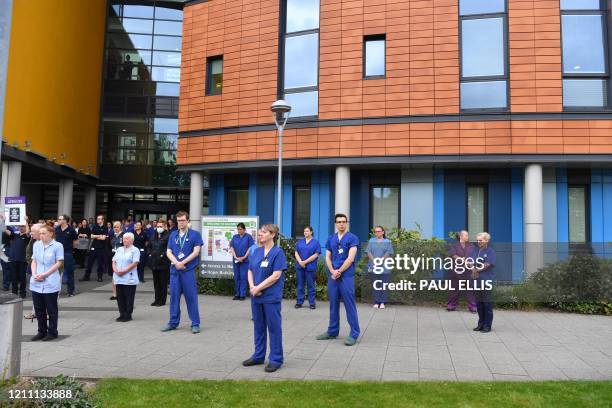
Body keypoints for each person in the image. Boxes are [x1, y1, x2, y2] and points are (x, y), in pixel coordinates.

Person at [242, 224, 287, 373]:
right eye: (260, 232)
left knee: (274, 329)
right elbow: (250, 270)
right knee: (258, 327)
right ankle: (258, 356)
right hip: (256, 296)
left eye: (264, 232)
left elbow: (276, 276)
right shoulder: (256, 252)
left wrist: (258, 288)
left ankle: (276, 359)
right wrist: (252, 287)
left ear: (272, 235)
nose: (260, 234)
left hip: (270, 297)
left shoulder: (278, 253)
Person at [316, 214, 360, 346]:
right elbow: (328, 257)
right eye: (339, 222)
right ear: (335, 224)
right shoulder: (331, 239)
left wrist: (339, 271)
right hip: (334, 276)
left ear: (347, 223)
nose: (341, 224)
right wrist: (332, 271)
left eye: (343, 222)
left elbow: (350, 258)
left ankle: (354, 333)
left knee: (349, 304)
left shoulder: (352, 238)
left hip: (346, 275)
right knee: (333, 303)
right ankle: (332, 331)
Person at [161, 211, 203, 334]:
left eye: (183, 220)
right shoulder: (173, 235)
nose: (181, 223)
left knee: (191, 298)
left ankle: (195, 323)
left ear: (188, 221)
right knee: (174, 298)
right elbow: (168, 252)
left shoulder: (195, 235)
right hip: (175, 271)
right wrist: (176, 262)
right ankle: (173, 322)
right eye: (179, 221)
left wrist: (182, 262)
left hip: (188, 271)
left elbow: (196, 252)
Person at [30, 225, 64, 341]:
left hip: (50, 281)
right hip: (37, 281)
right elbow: (34, 261)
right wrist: (34, 274)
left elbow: (58, 263)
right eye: (40, 233)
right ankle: (41, 331)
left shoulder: (58, 246)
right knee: (39, 309)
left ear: (50, 233)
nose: (41, 235)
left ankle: (53, 332)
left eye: (43, 233)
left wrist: (45, 274)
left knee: (51, 309)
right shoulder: (36, 245)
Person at [471, 232, 496, 333]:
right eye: (477, 240)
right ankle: (480, 324)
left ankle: (487, 325)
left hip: (486, 281)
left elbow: (487, 264)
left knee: (487, 304)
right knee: (479, 304)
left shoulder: (490, 251)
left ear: (486, 240)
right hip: (476, 281)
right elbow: (469, 262)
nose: (478, 242)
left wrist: (476, 270)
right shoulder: (476, 251)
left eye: (480, 240)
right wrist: (472, 268)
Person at [112, 232, 140, 322]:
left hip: (129, 278)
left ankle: (128, 315)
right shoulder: (119, 249)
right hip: (118, 277)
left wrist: (124, 271)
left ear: (132, 240)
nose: (124, 240)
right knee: (120, 297)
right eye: (124, 238)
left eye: (127, 238)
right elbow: (114, 261)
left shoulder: (135, 250)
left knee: (129, 297)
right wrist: (115, 270)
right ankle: (122, 314)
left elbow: (135, 263)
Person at [446, 230, 476, 313]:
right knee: (454, 288)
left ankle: (472, 307)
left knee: (470, 289)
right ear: (460, 236)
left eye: (467, 235)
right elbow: (453, 255)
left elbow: (473, 257)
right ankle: (451, 306)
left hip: (468, 271)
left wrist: (472, 267)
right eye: (466, 235)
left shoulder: (471, 246)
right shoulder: (454, 245)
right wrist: (461, 260)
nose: (467, 237)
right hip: (456, 270)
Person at [366, 226, 394, 309]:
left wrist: (380, 260)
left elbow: (388, 252)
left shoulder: (387, 241)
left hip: (385, 267)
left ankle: (382, 302)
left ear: (383, 232)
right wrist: (374, 260)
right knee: (376, 284)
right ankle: (376, 302)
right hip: (374, 266)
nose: (377, 233)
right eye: (375, 231)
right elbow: (368, 252)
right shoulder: (371, 241)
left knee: (383, 285)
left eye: (379, 231)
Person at [294, 226, 321, 309]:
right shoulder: (300, 242)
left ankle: (312, 303)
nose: (305, 233)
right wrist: (300, 262)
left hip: (310, 267)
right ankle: (299, 302)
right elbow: (296, 253)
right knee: (300, 285)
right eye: (304, 231)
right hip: (300, 267)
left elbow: (316, 254)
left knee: (311, 285)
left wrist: (304, 262)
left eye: (307, 231)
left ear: (311, 232)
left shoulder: (315, 242)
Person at [229, 223, 254, 301]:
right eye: (238, 229)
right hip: (236, 260)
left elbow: (250, 248)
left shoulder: (248, 237)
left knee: (243, 277)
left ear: (244, 229)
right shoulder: (235, 237)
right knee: (237, 277)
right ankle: (237, 294)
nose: (239, 231)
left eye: (240, 229)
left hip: (245, 260)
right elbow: (232, 247)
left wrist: (244, 257)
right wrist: (235, 257)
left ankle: (242, 294)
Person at [55, 215, 78, 296]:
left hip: (67, 253)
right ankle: (55, 289)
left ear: (65, 220)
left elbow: (75, 241)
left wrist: (73, 250)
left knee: (69, 272)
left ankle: (70, 291)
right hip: (57, 253)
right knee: (56, 272)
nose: (58, 220)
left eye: (60, 219)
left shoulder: (71, 230)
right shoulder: (56, 229)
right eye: (58, 219)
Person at [148, 219, 170, 306]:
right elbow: (149, 246)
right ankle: (156, 299)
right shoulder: (154, 235)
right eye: (158, 226)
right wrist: (149, 253)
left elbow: (169, 248)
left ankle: (162, 300)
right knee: (156, 283)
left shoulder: (168, 236)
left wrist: (162, 255)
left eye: (160, 226)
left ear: (164, 227)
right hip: (154, 263)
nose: (159, 228)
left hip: (163, 263)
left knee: (163, 283)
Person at [82, 214, 107, 282]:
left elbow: (103, 238)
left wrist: (97, 236)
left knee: (100, 263)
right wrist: (99, 235)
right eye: (97, 218)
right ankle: (86, 276)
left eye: (99, 219)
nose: (97, 220)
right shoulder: (95, 227)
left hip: (101, 248)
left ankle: (99, 277)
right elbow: (92, 236)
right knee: (89, 262)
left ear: (103, 220)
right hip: (94, 247)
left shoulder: (105, 227)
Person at [9, 224, 30, 299]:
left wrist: (26, 221)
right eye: (20, 226)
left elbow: (28, 232)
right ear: (17, 227)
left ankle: (22, 292)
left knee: (22, 277)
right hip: (13, 259)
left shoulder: (27, 236)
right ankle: (14, 292)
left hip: (23, 260)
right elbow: (5, 230)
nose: (21, 228)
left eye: (23, 226)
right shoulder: (14, 235)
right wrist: (4, 220)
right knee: (13, 277)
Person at [108, 221, 124, 301]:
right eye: (114, 227)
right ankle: (114, 294)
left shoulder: (124, 235)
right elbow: (108, 246)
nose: (116, 228)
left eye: (117, 227)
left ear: (120, 227)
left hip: (122, 257)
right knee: (114, 276)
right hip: (113, 256)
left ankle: (122, 293)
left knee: (121, 274)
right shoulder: (111, 235)